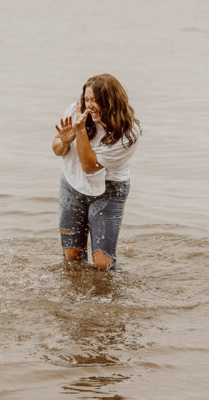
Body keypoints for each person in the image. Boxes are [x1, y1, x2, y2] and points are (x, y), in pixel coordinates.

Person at [52, 73, 140, 271]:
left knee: (103, 262)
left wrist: (81, 131)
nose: (89, 105)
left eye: (96, 100)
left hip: (108, 190)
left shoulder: (128, 133)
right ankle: (76, 297)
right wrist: (65, 141)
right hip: (72, 185)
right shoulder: (75, 112)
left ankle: (113, 298)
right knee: (72, 255)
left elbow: (89, 167)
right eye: (87, 99)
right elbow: (57, 148)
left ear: (111, 101)